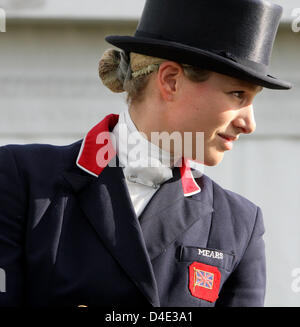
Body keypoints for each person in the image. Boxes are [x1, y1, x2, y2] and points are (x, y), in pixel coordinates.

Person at [0, 0, 292, 307]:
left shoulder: (240, 223)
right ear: (170, 81)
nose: (250, 124)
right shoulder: (20, 178)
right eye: (238, 94)